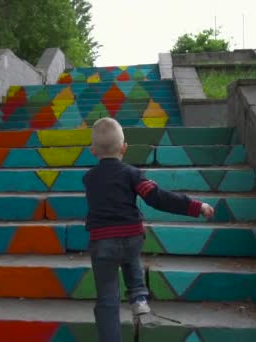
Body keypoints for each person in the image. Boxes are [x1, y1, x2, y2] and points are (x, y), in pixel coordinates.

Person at [83, 117, 215, 342]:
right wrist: (196, 206)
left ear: (93, 151)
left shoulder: (89, 179)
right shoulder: (132, 174)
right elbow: (158, 198)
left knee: (107, 297)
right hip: (131, 235)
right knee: (130, 253)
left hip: (102, 241)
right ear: (124, 148)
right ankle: (139, 297)